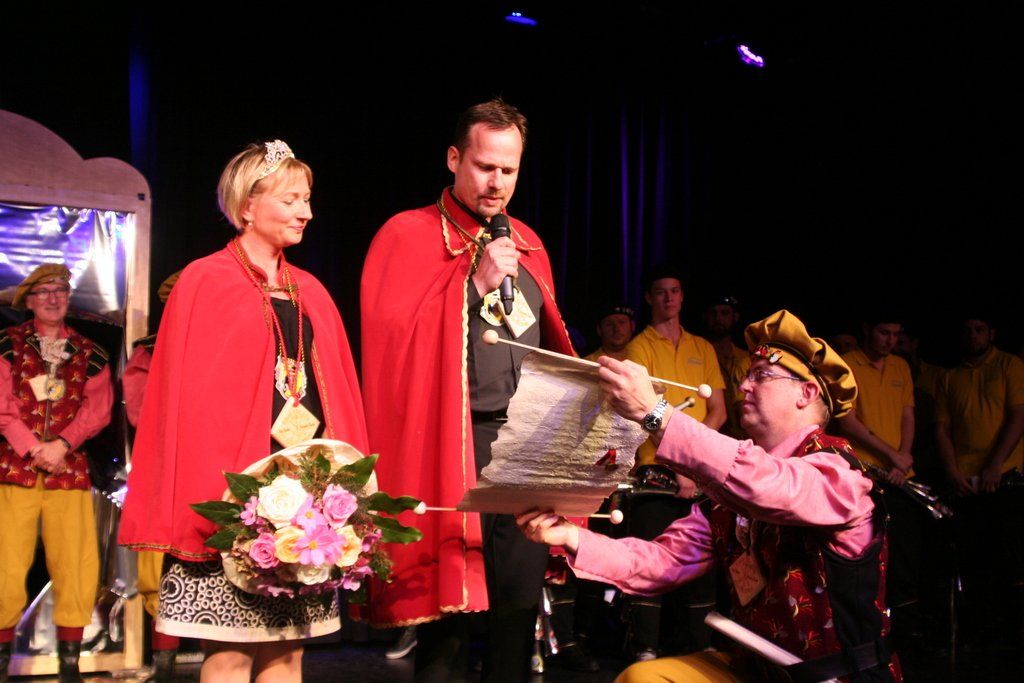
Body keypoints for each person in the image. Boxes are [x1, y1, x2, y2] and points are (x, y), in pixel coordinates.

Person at [518, 310, 902, 682]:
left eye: (761, 375)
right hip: (757, 670)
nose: (744, 386)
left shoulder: (840, 474)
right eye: (747, 375)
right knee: (645, 678)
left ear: (807, 392)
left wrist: (656, 413)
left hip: (837, 676)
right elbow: (662, 561)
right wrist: (571, 536)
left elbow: (770, 486)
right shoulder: (729, 498)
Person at [118, 140, 368, 683]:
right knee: (230, 653)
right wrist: (227, 500)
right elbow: (190, 405)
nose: (306, 212)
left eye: (307, 199)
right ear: (247, 206)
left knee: (287, 652)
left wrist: (335, 488)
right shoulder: (205, 281)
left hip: (305, 502)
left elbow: (337, 397)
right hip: (233, 502)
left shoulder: (312, 291)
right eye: (290, 199)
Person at [362, 98, 575, 680]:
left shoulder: (528, 243)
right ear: (454, 158)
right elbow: (390, 346)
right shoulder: (406, 234)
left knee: (517, 607)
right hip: (451, 442)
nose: (496, 182)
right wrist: (471, 287)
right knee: (448, 614)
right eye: (484, 166)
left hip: (525, 444)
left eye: (509, 170)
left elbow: (550, 346)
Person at [0, 264, 113, 683]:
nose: (53, 298)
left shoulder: (90, 351)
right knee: (6, 563)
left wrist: (62, 445)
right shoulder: (7, 345)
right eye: (44, 291)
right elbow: (3, 406)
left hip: (68, 470)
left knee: (75, 563)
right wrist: (34, 448)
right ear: (29, 300)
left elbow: (98, 410)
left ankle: (70, 663)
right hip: (16, 468)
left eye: (60, 290)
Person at [619, 269, 725, 661]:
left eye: (675, 291)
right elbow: (643, 412)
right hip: (659, 472)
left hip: (699, 470)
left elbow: (718, 410)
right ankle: (646, 647)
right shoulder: (639, 347)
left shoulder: (703, 347)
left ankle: (700, 647)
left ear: (682, 296)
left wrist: (695, 457)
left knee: (702, 562)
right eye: (661, 292)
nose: (669, 298)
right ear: (649, 298)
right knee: (652, 560)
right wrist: (681, 466)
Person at [935, 314, 1024, 651]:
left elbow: (1018, 416)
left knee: (1009, 558)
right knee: (973, 560)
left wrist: (996, 464)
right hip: (966, 482)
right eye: (967, 330)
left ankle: (1014, 634)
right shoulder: (950, 375)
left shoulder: (1009, 365)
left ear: (992, 333)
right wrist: (952, 470)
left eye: (979, 329)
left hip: (1004, 478)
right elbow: (942, 428)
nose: (973, 335)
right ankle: (980, 634)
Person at [836, 316, 922, 647]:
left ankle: (906, 629)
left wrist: (904, 457)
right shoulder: (847, 363)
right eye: (884, 332)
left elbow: (907, 415)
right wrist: (892, 456)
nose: (890, 340)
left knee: (904, 554)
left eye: (896, 334)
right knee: (868, 555)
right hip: (864, 475)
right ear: (867, 329)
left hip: (900, 476)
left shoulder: (900, 366)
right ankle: (869, 631)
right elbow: (847, 421)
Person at [121, 270, 181, 682]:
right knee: (157, 558)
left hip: (221, 464)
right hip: (165, 465)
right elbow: (140, 411)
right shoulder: (149, 350)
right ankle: (164, 664)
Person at [701, 294, 749, 438]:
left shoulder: (746, 359)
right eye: (713, 313)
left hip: (743, 438)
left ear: (735, 316)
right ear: (705, 317)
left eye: (724, 313)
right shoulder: (699, 357)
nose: (718, 318)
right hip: (710, 434)